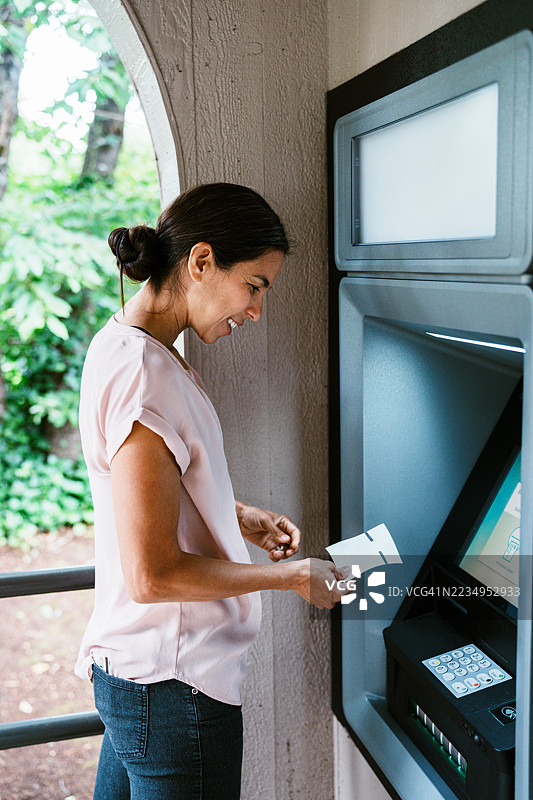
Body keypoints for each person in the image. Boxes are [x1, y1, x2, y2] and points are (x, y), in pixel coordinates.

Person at [75, 182, 348, 800]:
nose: (256, 311)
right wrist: (294, 577)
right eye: (254, 285)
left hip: (140, 678)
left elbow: (145, 498)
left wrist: (236, 513)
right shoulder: (145, 377)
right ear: (200, 261)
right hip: (174, 692)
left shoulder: (128, 347)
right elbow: (153, 575)